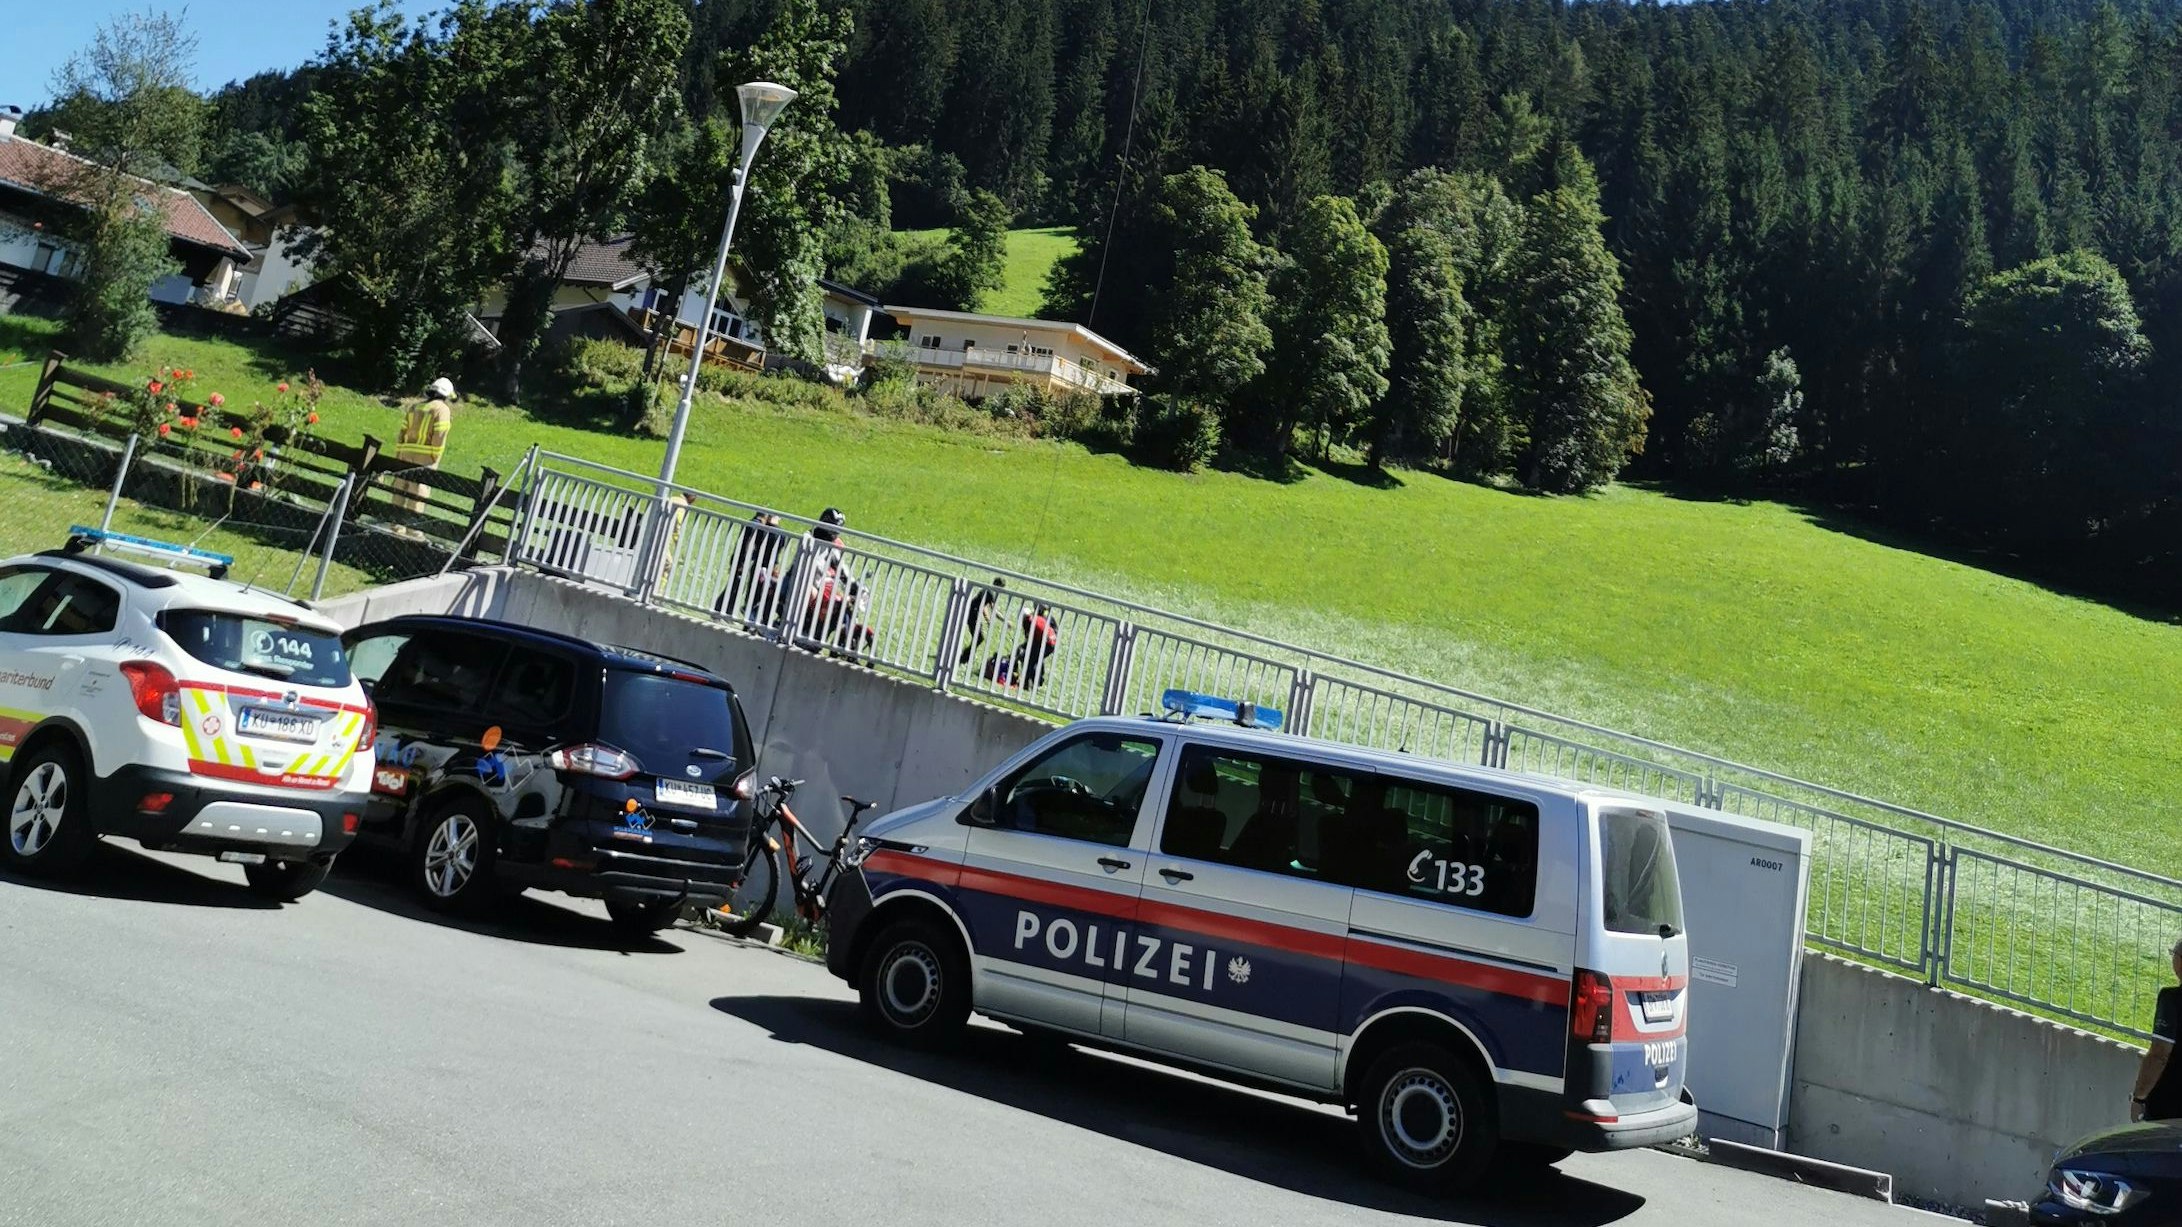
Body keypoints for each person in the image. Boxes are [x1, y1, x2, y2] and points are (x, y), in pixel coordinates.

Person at [2131, 936, 2182, 1122]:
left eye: (2173, 953)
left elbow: (2159, 1055)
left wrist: (2139, 1097)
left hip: (2169, 1108)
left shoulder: (2172, 1000)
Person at [391, 376, 456, 515]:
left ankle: (394, 523)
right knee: (418, 493)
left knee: (400, 488)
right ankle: (410, 526)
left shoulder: (415, 407)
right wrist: (435, 458)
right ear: (446, 395)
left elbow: (402, 432)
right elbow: (439, 437)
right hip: (424, 458)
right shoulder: (442, 410)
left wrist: (398, 454)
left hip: (404, 455)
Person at [720, 511, 786, 623]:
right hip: (759, 565)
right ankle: (726, 611)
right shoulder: (767, 530)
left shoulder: (760, 528)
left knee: (741, 588)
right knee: (740, 587)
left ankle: (731, 612)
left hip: (753, 563)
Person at [956, 577, 1007, 667]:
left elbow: (983, 606)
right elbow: (994, 611)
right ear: (997, 585)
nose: (1001, 591)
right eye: (1001, 588)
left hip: (973, 613)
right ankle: (963, 657)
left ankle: (965, 657)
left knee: (978, 638)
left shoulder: (987, 591)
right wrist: (1005, 621)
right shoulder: (990, 593)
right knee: (979, 638)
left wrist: (987, 619)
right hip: (972, 614)